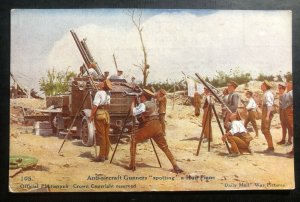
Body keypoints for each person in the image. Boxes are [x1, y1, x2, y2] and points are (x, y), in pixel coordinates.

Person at [129, 89, 183, 173]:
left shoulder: (143, 104)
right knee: (164, 147)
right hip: (157, 126)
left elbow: (133, 112)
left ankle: (132, 165)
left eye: (141, 96)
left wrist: (132, 102)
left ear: (143, 96)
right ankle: (175, 166)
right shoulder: (153, 104)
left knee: (133, 140)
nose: (140, 97)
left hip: (149, 126)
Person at [89, 80, 112, 162]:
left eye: (101, 83)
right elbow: (108, 106)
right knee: (106, 135)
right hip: (106, 114)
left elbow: (95, 106)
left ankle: (101, 156)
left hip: (99, 114)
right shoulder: (108, 94)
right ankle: (106, 155)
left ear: (103, 86)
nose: (98, 84)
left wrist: (91, 116)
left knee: (101, 135)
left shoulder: (99, 93)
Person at [260, 80, 275, 153]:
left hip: (267, 112)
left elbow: (269, 105)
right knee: (264, 129)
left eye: (262, 85)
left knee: (265, 129)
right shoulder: (266, 93)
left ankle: (271, 147)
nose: (261, 86)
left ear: (265, 86)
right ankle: (270, 146)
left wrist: (267, 116)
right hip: (265, 111)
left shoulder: (268, 94)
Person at [284, 81, 293, 156]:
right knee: (291, 130)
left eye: (289, 84)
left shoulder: (291, 93)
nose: (287, 85)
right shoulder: (288, 93)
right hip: (288, 111)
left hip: (290, 111)